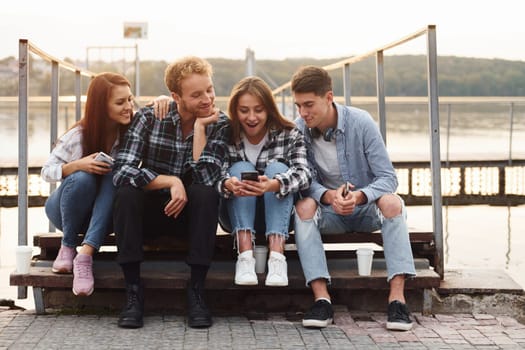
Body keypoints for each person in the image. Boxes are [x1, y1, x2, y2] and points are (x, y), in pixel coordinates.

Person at [290, 65, 416, 331]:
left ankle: (397, 300)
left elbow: (388, 178)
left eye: (309, 104)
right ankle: (321, 299)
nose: (303, 113)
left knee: (393, 202)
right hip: (330, 212)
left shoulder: (361, 122)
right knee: (303, 205)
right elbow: (303, 181)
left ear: (328, 97)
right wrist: (327, 195)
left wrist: (359, 196)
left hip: (366, 210)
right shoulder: (298, 129)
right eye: (298, 105)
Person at [112, 56, 229, 329]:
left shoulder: (219, 123)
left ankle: (197, 290)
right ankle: (133, 290)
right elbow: (121, 171)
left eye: (209, 90)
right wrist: (170, 181)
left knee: (205, 193)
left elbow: (208, 177)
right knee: (126, 195)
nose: (207, 99)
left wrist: (201, 129)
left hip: (191, 219)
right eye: (197, 94)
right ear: (176, 96)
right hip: (151, 215)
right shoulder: (150, 117)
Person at [41, 72, 158, 296]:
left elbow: (154, 109)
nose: (128, 107)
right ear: (101, 106)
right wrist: (77, 165)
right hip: (66, 212)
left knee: (115, 173)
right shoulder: (78, 135)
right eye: (120, 102)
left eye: (130, 99)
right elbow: (46, 172)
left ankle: (84, 256)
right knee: (84, 176)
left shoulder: (131, 131)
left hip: (103, 218)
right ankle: (67, 247)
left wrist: (162, 99)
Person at [216, 76, 311, 287]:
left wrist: (274, 184)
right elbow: (213, 174)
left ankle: (277, 259)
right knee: (240, 169)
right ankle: (245, 257)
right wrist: (227, 183)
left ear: (269, 109)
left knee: (278, 168)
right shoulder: (225, 133)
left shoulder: (288, 134)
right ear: (234, 110)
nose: (251, 117)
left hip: (279, 216)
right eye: (244, 110)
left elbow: (305, 173)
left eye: (258, 110)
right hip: (235, 216)